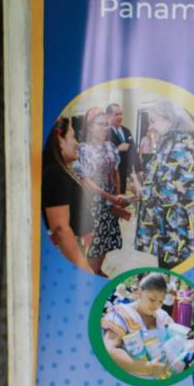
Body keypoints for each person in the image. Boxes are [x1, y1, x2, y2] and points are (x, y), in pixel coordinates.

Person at [133, 101, 194, 269]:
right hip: (170, 227)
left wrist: (141, 191)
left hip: (180, 230)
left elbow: (171, 192)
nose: (151, 127)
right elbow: (161, 180)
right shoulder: (171, 141)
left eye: (153, 121)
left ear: (170, 119)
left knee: (177, 275)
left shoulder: (182, 144)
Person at [75, 107, 127, 276]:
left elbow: (115, 172)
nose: (105, 128)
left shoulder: (111, 146)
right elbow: (86, 181)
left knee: (106, 240)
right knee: (94, 242)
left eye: (106, 124)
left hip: (109, 202)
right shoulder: (82, 150)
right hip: (92, 204)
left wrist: (117, 197)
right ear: (89, 126)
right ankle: (92, 272)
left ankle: (97, 269)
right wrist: (110, 197)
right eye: (100, 124)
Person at [41, 116, 94, 273]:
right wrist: (84, 268)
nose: (77, 143)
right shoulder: (55, 174)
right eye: (72, 136)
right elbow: (60, 228)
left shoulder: (57, 171)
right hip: (69, 258)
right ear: (60, 139)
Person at [101, 273, 174, 379]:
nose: (156, 305)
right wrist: (148, 368)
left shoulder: (162, 316)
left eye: (161, 301)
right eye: (152, 299)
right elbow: (110, 349)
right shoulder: (122, 314)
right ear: (140, 293)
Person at [106, 103, 134, 193]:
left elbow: (133, 149)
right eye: (116, 114)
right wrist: (117, 149)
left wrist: (135, 170)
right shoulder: (105, 132)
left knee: (121, 196)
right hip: (110, 174)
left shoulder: (126, 130)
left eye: (121, 114)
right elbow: (102, 153)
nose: (120, 117)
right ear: (109, 116)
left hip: (124, 172)